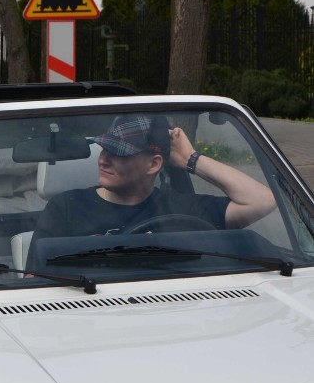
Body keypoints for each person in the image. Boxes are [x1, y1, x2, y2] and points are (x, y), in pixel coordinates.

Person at [27, 113, 277, 268]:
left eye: (119, 153)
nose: (102, 160)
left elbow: (262, 200)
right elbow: (33, 282)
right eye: (105, 149)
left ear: (154, 164)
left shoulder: (183, 208)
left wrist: (190, 158)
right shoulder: (67, 207)